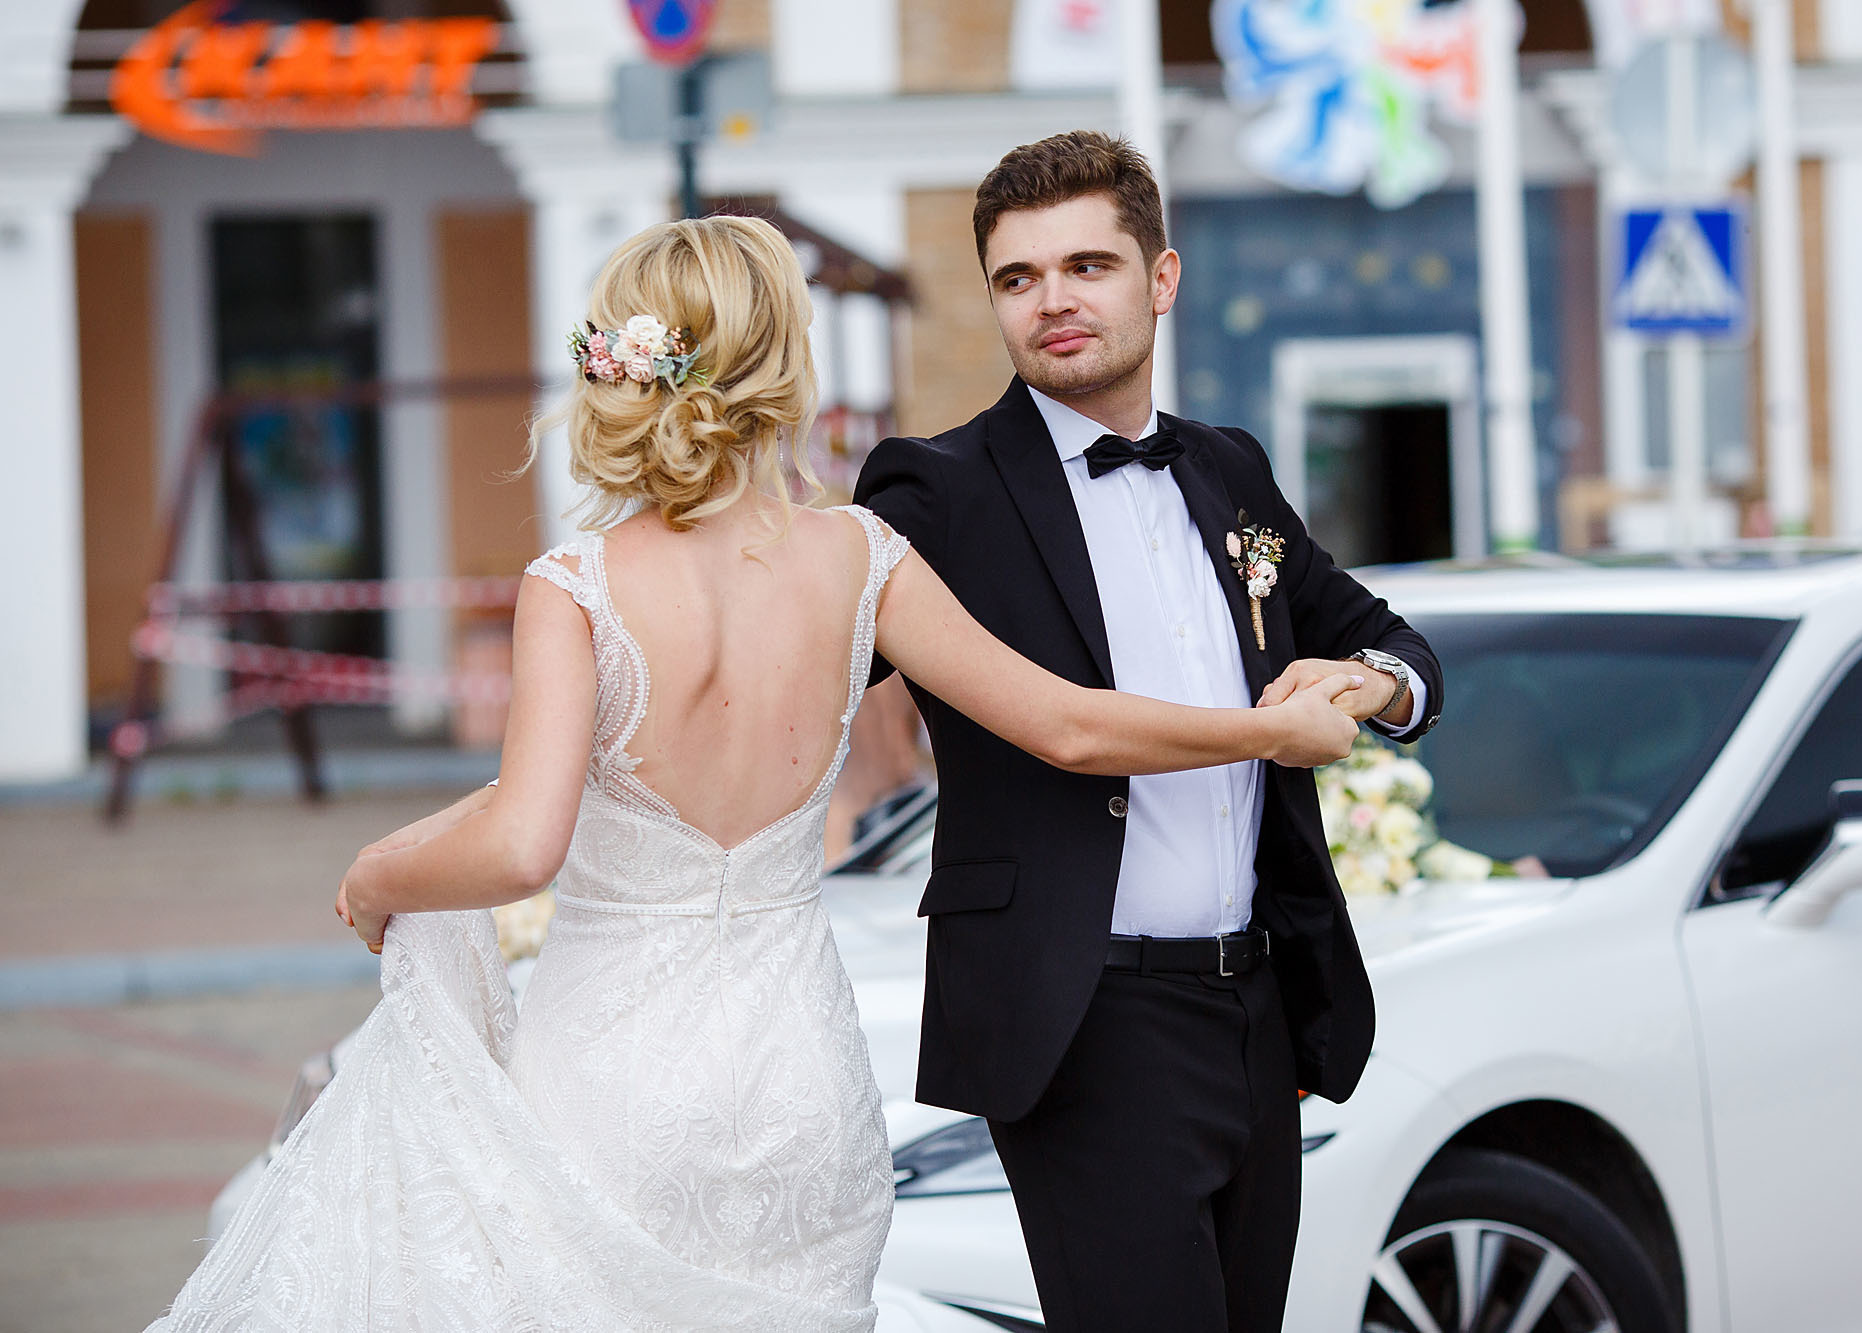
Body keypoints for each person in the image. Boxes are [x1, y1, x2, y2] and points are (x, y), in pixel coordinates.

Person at [145, 216, 1366, 1332]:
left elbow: (524, 839)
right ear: (784, 361)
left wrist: (376, 871)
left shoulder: (575, 585)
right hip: (798, 1083)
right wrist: (1263, 732)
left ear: (627, 365)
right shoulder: (860, 556)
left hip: (615, 1077)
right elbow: (1069, 725)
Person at [852, 131, 1445, 1333]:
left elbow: (1393, 644)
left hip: (1253, 1003)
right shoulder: (933, 488)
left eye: (1087, 265)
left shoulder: (1227, 470)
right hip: (1079, 1015)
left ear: (1160, 278)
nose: (1053, 301)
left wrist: (1361, 688)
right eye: (1018, 278)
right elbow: (800, 671)